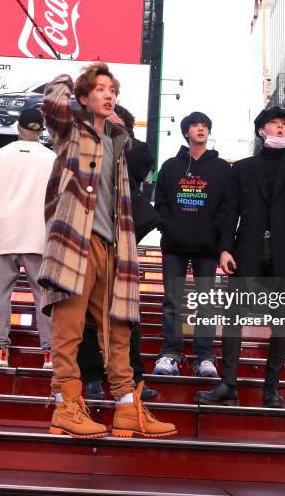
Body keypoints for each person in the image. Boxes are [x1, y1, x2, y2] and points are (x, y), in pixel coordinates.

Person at [38, 63, 175, 439]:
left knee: (118, 330)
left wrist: (118, 127)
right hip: (73, 244)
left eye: (112, 89)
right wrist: (81, 77)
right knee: (69, 329)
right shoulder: (70, 131)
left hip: (112, 247)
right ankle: (66, 406)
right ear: (83, 99)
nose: (109, 94)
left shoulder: (118, 142)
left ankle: (127, 408)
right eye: (100, 89)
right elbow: (52, 98)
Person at [195, 106, 285, 408]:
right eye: (274, 124)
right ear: (261, 130)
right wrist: (225, 248)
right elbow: (230, 211)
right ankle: (228, 385)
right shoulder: (241, 168)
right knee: (233, 317)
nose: (281, 129)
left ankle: (271, 388)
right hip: (251, 250)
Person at [77, 104, 159, 401]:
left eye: (115, 119)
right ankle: (92, 378)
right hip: (86, 240)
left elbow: (140, 163)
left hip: (121, 243)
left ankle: (134, 379)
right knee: (85, 314)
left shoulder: (136, 150)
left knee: (126, 315)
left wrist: (118, 132)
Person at [153, 112, 231, 378]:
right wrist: (169, 226)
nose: (201, 129)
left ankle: (205, 356)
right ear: (186, 132)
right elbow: (160, 201)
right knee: (172, 301)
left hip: (207, 246)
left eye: (205, 126)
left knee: (206, 303)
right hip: (174, 244)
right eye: (195, 126)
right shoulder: (170, 166)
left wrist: (218, 236)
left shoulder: (222, 168)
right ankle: (170, 354)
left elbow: (227, 207)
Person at [0, 108, 55, 369]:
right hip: (39, 235)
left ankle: (0, 351)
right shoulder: (52, 158)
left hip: (4, 233)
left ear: (18, 127)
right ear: (41, 129)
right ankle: (49, 355)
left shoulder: (0, 155)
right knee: (44, 297)